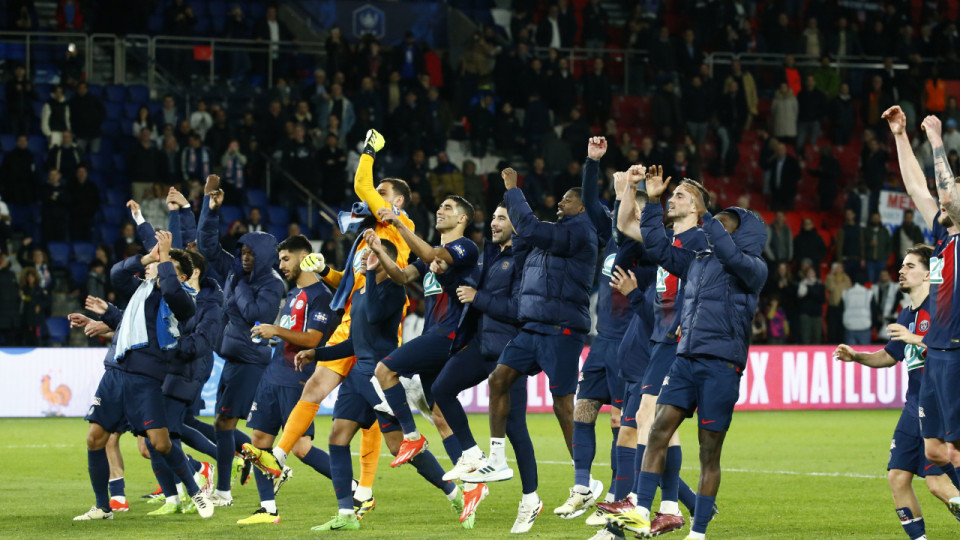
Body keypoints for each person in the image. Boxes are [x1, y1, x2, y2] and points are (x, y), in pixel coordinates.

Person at [242, 129, 415, 519]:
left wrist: (370, 149)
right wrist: (327, 271)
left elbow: (360, 181)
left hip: (381, 331)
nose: (375, 198)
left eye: (383, 194)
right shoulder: (369, 237)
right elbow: (353, 285)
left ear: (398, 201)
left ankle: (369, 489)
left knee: (375, 420)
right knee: (317, 386)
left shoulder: (400, 228)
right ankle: (280, 457)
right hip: (350, 325)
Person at [610, 166, 767, 539]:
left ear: (745, 233)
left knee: (708, 452)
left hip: (722, 365)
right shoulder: (698, 260)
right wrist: (648, 200)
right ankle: (641, 509)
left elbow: (730, 254)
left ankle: (698, 530)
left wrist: (708, 216)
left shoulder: (753, 269)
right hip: (685, 358)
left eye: (730, 223)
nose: (722, 227)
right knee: (658, 428)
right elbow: (657, 245)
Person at [463, 166, 598, 511]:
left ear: (581, 207)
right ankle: (497, 457)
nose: (560, 204)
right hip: (533, 328)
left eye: (567, 200)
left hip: (562, 331)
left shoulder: (582, 232)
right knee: (499, 379)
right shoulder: (552, 235)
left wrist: (513, 190)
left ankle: (583, 482)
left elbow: (532, 229)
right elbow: (528, 246)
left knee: (563, 405)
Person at [75, 231, 213, 521]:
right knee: (94, 439)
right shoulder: (145, 289)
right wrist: (148, 257)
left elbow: (172, 294)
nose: (162, 270)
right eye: (161, 265)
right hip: (115, 373)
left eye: (170, 268)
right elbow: (117, 275)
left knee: (160, 444)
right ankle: (103, 507)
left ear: (185, 278)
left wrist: (164, 258)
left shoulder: (185, 299)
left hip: (145, 378)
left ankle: (195, 491)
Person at [835, 245, 960, 539]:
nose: (901, 271)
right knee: (898, 477)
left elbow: (952, 349)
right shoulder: (907, 314)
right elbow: (890, 356)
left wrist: (915, 338)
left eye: (910, 266)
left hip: (940, 407)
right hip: (912, 406)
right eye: (901, 266)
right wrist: (857, 356)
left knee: (937, 483)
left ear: (929, 274)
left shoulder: (945, 307)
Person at [429, 203, 539, 532]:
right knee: (441, 389)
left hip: (510, 348)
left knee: (516, 428)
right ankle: (473, 454)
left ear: (517, 225)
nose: (493, 222)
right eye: (492, 216)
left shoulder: (525, 259)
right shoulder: (488, 254)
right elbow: (467, 291)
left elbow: (521, 307)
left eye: (501, 218)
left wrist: (478, 298)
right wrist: (446, 277)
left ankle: (531, 499)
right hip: (482, 344)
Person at [237, 235, 342, 524]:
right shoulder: (294, 293)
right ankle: (267, 509)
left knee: (300, 447)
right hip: (273, 375)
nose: (281, 265)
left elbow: (313, 339)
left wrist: (276, 331)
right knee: (258, 442)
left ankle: (355, 490)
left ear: (304, 257)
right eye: (280, 259)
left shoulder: (321, 296)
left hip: (297, 378)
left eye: (286, 259)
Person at [369, 191, 478, 467]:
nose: (440, 210)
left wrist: (397, 223)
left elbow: (432, 253)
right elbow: (402, 276)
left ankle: (411, 434)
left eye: (448, 207)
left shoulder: (466, 248)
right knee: (440, 416)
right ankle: (470, 480)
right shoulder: (430, 258)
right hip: (434, 335)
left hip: (450, 335)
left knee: (384, 370)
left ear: (462, 218)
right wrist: (381, 253)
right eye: (440, 205)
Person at [197, 177, 285, 507]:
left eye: (251, 253)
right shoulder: (237, 270)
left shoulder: (271, 283)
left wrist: (237, 287)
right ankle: (260, 464)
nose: (244, 257)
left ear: (263, 255)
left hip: (250, 359)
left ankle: (225, 490)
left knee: (224, 422)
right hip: (235, 356)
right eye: (242, 251)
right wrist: (209, 207)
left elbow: (255, 315)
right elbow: (206, 248)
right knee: (223, 422)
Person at [558, 138, 629, 519]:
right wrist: (591, 162)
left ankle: (618, 498)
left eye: (621, 208)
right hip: (602, 342)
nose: (614, 213)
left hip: (630, 346)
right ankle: (583, 486)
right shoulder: (612, 239)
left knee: (623, 425)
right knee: (582, 411)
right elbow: (588, 198)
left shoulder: (644, 245)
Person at [796, 267, 826, 344]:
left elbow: (822, 299)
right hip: (805, 314)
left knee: (817, 337)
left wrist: (809, 290)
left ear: (815, 274)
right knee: (805, 337)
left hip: (817, 314)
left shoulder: (820, 285)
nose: (810, 274)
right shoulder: (802, 285)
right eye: (809, 273)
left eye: (812, 272)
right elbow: (799, 298)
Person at [872, 270, 902, 341]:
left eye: (885, 275)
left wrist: (892, 313)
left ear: (889, 276)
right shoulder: (875, 287)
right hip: (879, 318)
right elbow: (875, 303)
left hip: (891, 317)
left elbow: (898, 300)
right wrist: (878, 314)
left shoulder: (895, 287)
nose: (883, 277)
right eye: (882, 275)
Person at [866, 213, 893, 283]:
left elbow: (889, 245)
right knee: (870, 281)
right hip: (870, 260)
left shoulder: (884, 231)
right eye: (874, 218)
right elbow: (862, 244)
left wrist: (886, 256)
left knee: (880, 280)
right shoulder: (867, 230)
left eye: (877, 218)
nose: (876, 220)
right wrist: (870, 244)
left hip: (881, 260)